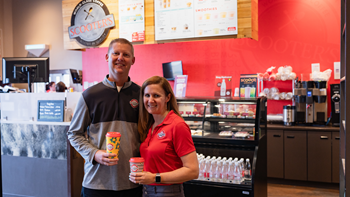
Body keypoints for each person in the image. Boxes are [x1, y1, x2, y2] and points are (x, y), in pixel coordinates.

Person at [67, 38, 142, 197]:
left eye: (126, 55)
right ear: (107, 57)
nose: (120, 58)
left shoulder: (141, 95)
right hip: (96, 183)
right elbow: (74, 134)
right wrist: (94, 153)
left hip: (132, 183)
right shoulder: (90, 95)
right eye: (116, 53)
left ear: (133, 60)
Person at [129, 76, 199, 197]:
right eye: (147, 95)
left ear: (168, 97)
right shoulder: (148, 125)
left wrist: (155, 177)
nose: (150, 100)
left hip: (168, 192)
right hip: (146, 190)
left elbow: (192, 171)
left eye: (156, 96)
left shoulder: (177, 125)